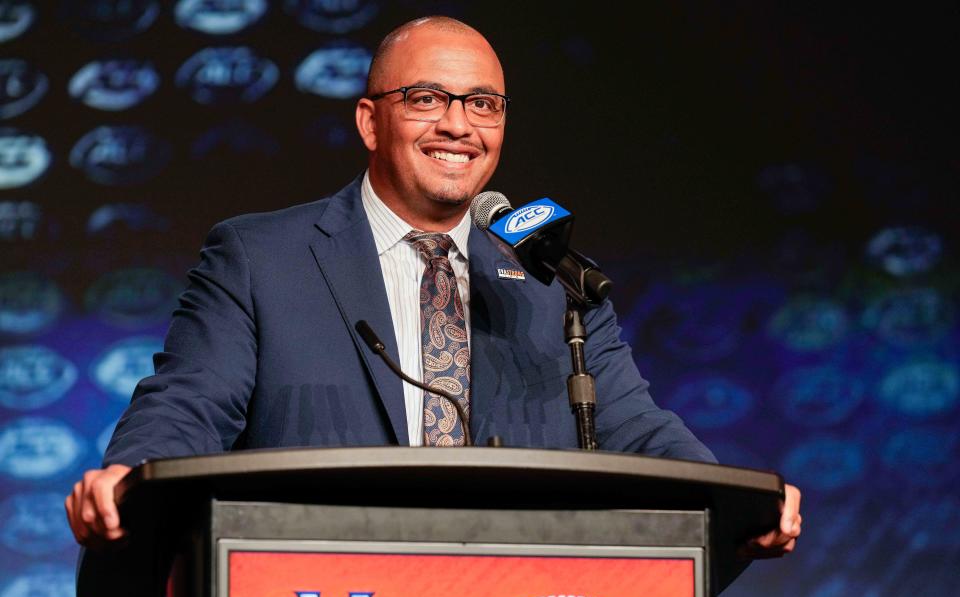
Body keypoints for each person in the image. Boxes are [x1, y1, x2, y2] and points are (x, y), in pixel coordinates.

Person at [65, 16, 800, 558]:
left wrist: (738, 499)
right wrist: (130, 473)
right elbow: (193, 398)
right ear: (369, 121)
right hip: (316, 594)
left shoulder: (552, 280)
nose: (459, 125)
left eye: (483, 104)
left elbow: (633, 426)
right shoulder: (262, 257)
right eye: (428, 98)